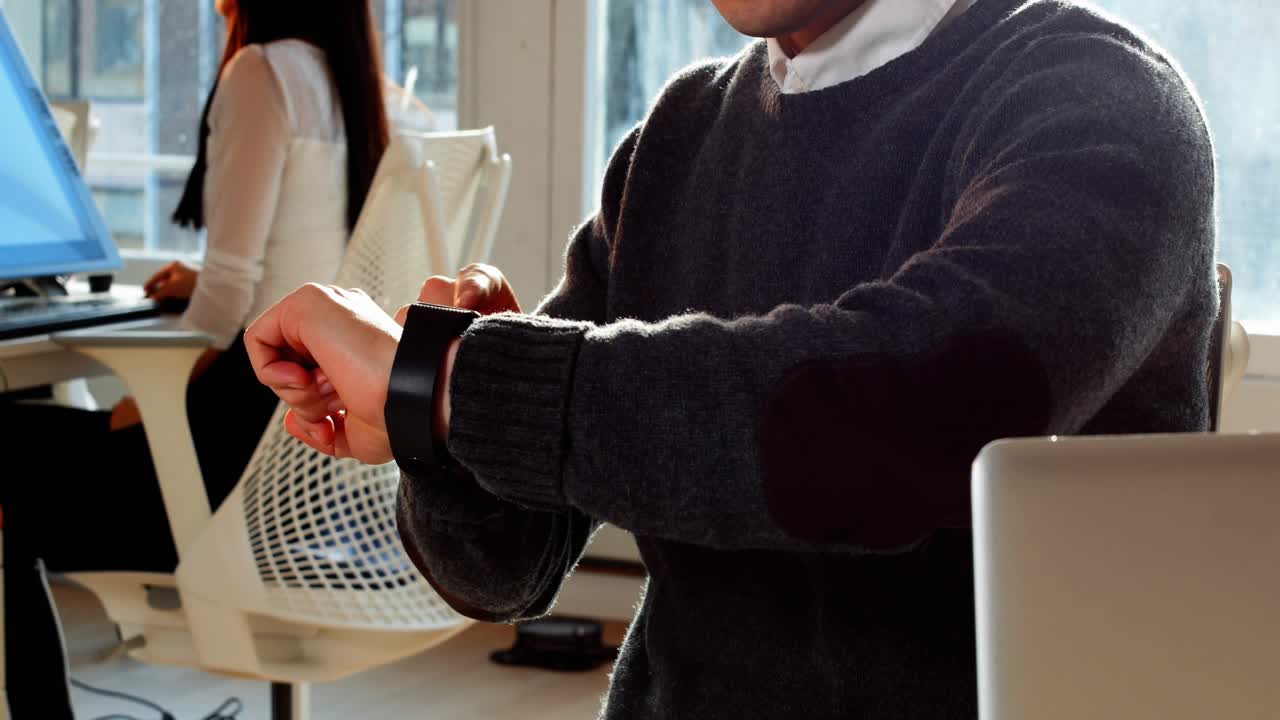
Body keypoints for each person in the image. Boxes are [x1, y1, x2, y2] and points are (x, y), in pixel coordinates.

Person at [246, 0, 1218, 716]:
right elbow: (503, 569)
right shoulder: (675, 138)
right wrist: (437, 422)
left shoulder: (1097, 101)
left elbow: (901, 420)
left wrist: (461, 382)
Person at [0, 1, 390, 716]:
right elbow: (275, 272)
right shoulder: (349, 86)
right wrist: (206, 281)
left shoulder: (260, 72)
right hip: (284, 464)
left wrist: (133, 406)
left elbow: (227, 306)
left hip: (212, 474)